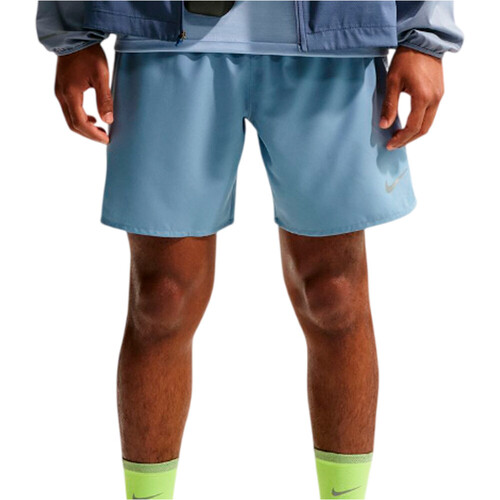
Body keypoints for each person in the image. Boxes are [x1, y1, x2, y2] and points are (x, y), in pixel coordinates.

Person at [37, 2, 463, 498]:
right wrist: (74, 33)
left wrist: (423, 35)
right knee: (161, 298)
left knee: (335, 294)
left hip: (335, 36)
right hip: (167, 32)